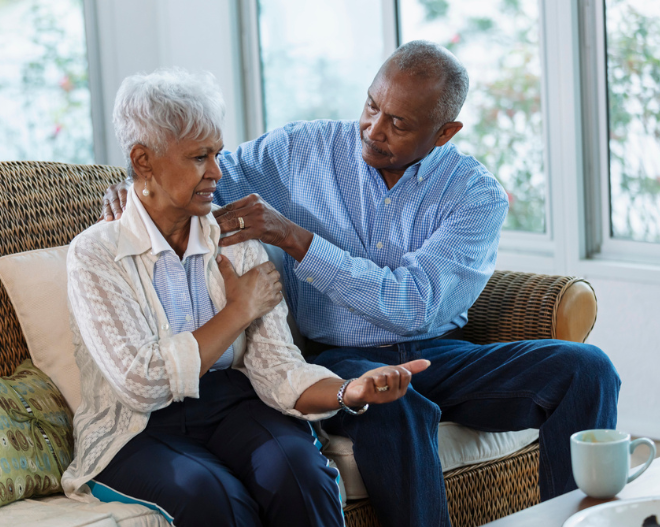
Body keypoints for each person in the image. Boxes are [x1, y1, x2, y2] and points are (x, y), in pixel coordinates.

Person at [99, 41, 621, 527]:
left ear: (444, 133)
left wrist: (297, 239)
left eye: (398, 123)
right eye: (371, 106)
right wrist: (131, 191)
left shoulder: (472, 195)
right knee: (392, 402)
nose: (373, 129)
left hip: (441, 355)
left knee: (587, 370)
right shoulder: (298, 151)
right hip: (341, 358)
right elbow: (197, 174)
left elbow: (412, 304)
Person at [61, 68, 430, 527]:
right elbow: (143, 384)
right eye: (199, 157)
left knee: (300, 474)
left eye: (216, 153)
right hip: (137, 427)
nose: (217, 172)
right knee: (211, 495)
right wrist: (239, 310)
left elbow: (277, 366)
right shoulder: (96, 254)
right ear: (143, 161)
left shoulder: (234, 239)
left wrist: (347, 391)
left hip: (232, 402)